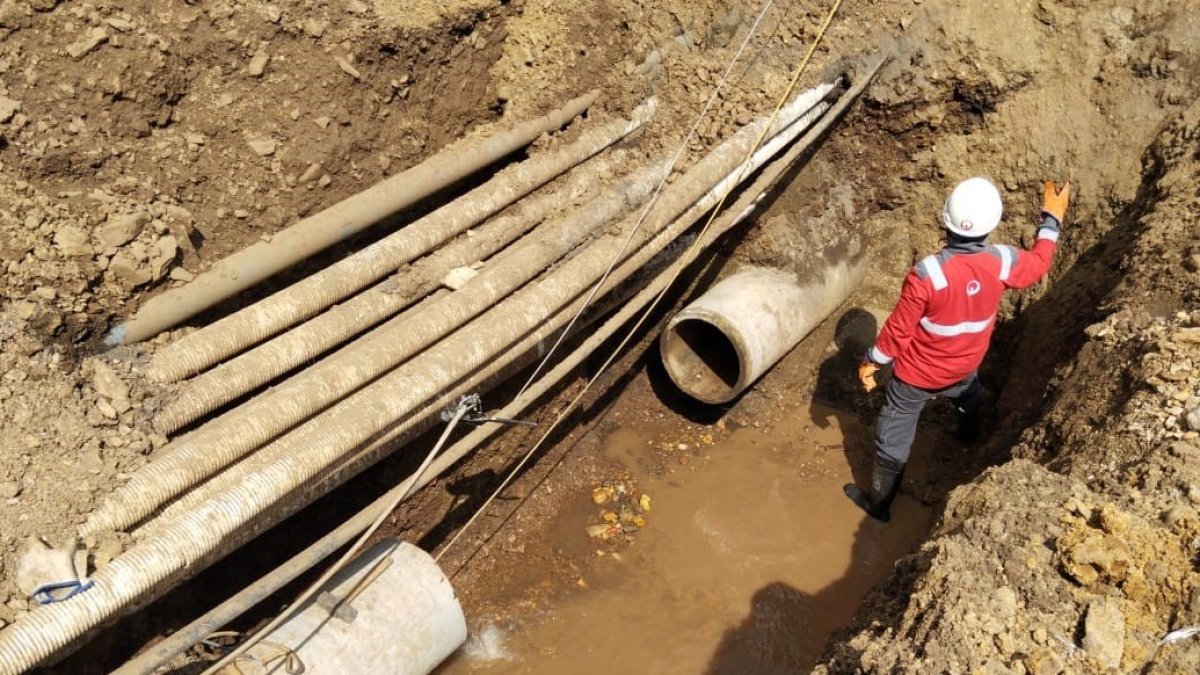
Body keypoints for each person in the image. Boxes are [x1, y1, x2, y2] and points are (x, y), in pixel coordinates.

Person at [845, 177, 1070, 522]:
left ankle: (878, 505)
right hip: (965, 368)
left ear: (944, 218)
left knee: (892, 433)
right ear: (992, 223)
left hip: (916, 378)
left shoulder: (927, 275)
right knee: (969, 396)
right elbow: (1039, 264)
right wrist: (1051, 220)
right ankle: (969, 437)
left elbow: (898, 331)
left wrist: (872, 361)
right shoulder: (1003, 261)